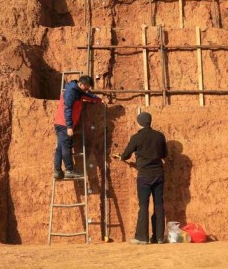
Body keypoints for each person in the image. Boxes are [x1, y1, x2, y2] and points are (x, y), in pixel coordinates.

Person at [113, 112, 167, 245]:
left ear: (139, 123)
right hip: (159, 174)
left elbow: (126, 155)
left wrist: (120, 157)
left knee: (144, 206)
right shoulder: (160, 136)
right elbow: (164, 154)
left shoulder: (137, 137)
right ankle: (159, 237)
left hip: (144, 176)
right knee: (159, 205)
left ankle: (142, 237)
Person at [54, 75, 101, 179]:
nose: (88, 89)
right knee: (66, 146)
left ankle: (57, 171)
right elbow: (68, 110)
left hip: (60, 123)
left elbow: (86, 95)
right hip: (64, 124)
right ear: (81, 84)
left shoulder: (77, 90)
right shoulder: (71, 92)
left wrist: (96, 99)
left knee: (60, 148)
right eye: (87, 86)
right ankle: (69, 170)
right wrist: (69, 127)